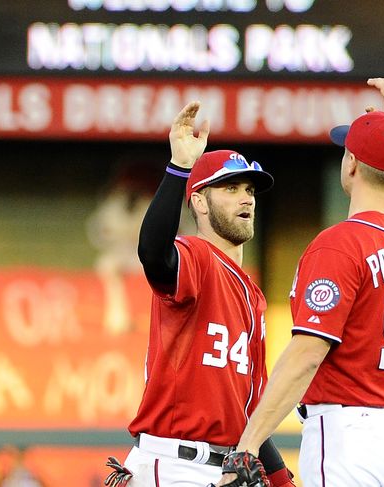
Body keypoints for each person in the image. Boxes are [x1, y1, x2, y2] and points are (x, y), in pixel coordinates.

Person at [215, 78, 384, 487]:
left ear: (352, 165)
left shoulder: (341, 244)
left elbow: (308, 353)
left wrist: (248, 444)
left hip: (351, 437)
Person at [104, 101, 294, 487]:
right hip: (172, 461)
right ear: (199, 201)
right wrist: (179, 168)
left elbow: (251, 411)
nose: (246, 198)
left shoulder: (254, 297)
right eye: (229, 188)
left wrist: (281, 481)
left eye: (249, 189)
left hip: (225, 468)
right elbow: (153, 255)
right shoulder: (196, 256)